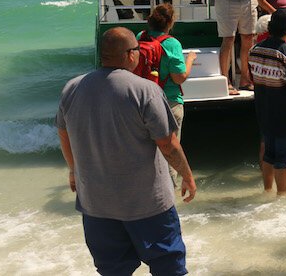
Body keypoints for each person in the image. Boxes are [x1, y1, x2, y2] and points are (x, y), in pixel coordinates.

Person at [56, 27, 196, 275]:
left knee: (113, 271)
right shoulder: (145, 90)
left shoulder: (72, 88)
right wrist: (187, 175)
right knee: (169, 268)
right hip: (147, 204)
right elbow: (168, 144)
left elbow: (64, 133)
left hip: (96, 205)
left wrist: (73, 170)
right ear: (130, 55)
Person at [137, 3, 197, 187]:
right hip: (169, 102)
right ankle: (168, 197)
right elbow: (179, 78)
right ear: (170, 22)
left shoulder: (141, 37)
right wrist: (190, 60)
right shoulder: (172, 43)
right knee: (170, 151)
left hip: (142, 100)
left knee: (147, 151)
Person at [248, 9, 286, 194]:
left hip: (263, 113)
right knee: (283, 160)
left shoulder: (254, 50)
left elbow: (252, 77)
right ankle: (282, 197)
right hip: (285, 116)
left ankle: (267, 190)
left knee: (269, 156)